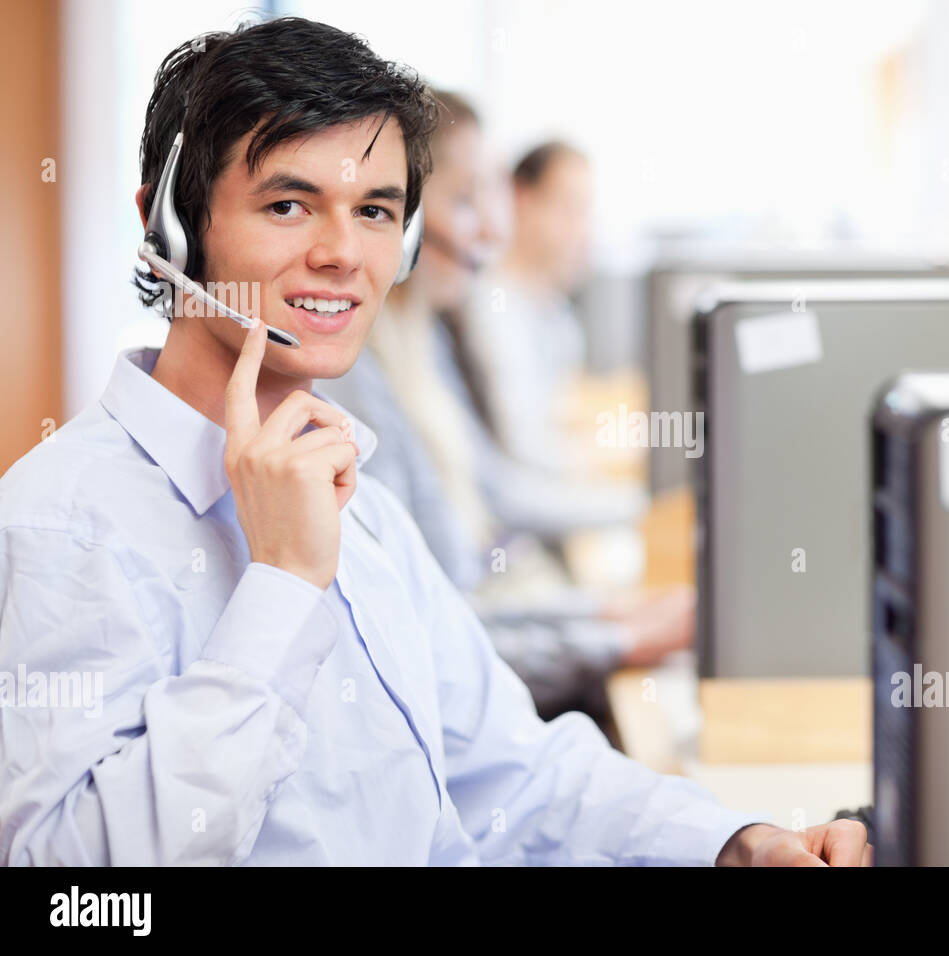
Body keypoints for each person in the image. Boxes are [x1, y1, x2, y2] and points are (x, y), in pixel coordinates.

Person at [0, 17, 868, 867]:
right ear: (168, 228)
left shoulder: (360, 503)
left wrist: (735, 842)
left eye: (375, 211)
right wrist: (280, 587)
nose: (344, 253)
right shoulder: (63, 528)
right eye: (289, 203)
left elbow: (515, 777)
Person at [323, 92, 690, 725]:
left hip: (502, 640)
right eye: (464, 202)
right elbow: (434, 626)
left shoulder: (420, 344)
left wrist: (605, 614)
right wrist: (609, 634)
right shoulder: (354, 375)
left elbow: (480, 523)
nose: (491, 232)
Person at [463, 141, 594, 475]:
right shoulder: (491, 304)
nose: (582, 229)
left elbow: (571, 414)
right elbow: (526, 446)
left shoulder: (555, 309)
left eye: (586, 211)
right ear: (522, 198)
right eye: (569, 208)